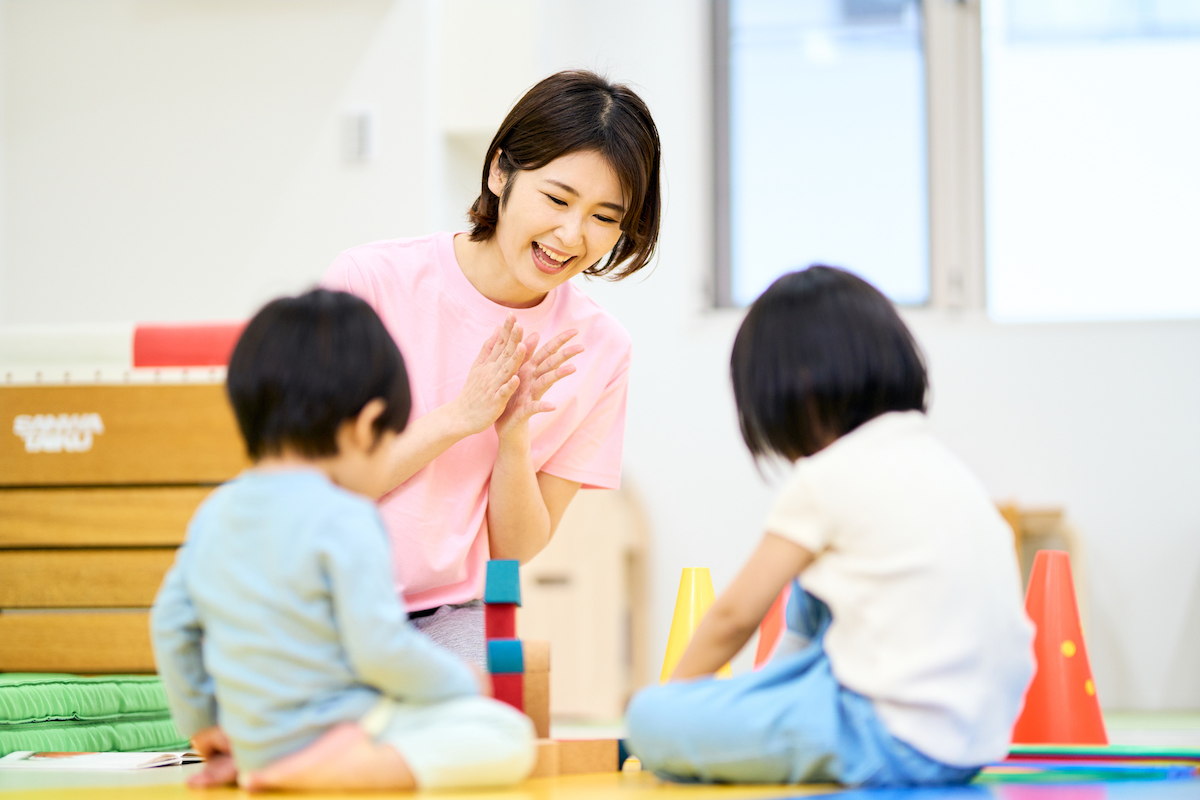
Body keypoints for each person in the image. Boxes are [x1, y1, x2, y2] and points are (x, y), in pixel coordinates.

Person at [625, 267, 1035, 787]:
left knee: (649, 718)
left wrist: (676, 699)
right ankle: (762, 712)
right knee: (817, 578)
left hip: (886, 736)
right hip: (976, 741)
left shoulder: (828, 477)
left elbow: (733, 616)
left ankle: (720, 718)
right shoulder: (943, 464)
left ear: (785, 392)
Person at [322, 69, 661, 665]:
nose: (571, 235)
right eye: (557, 199)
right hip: (322, 601)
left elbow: (516, 549)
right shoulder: (370, 282)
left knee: (481, 740)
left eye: (605, 217)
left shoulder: (601, 350)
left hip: (450, 617)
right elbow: (324, 489)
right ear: (500, 171)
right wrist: (461, 417)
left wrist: (511, 436)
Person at [150, 289, 535, 792]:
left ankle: (264, 766)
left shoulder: (216, 512)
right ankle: (341, 772)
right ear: (368, 426)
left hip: (254, 737)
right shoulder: (346, 517)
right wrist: (462, 681)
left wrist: (204, 724)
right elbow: (379, 650)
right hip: (338, 729)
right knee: (507, 736)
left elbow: (170, 624)